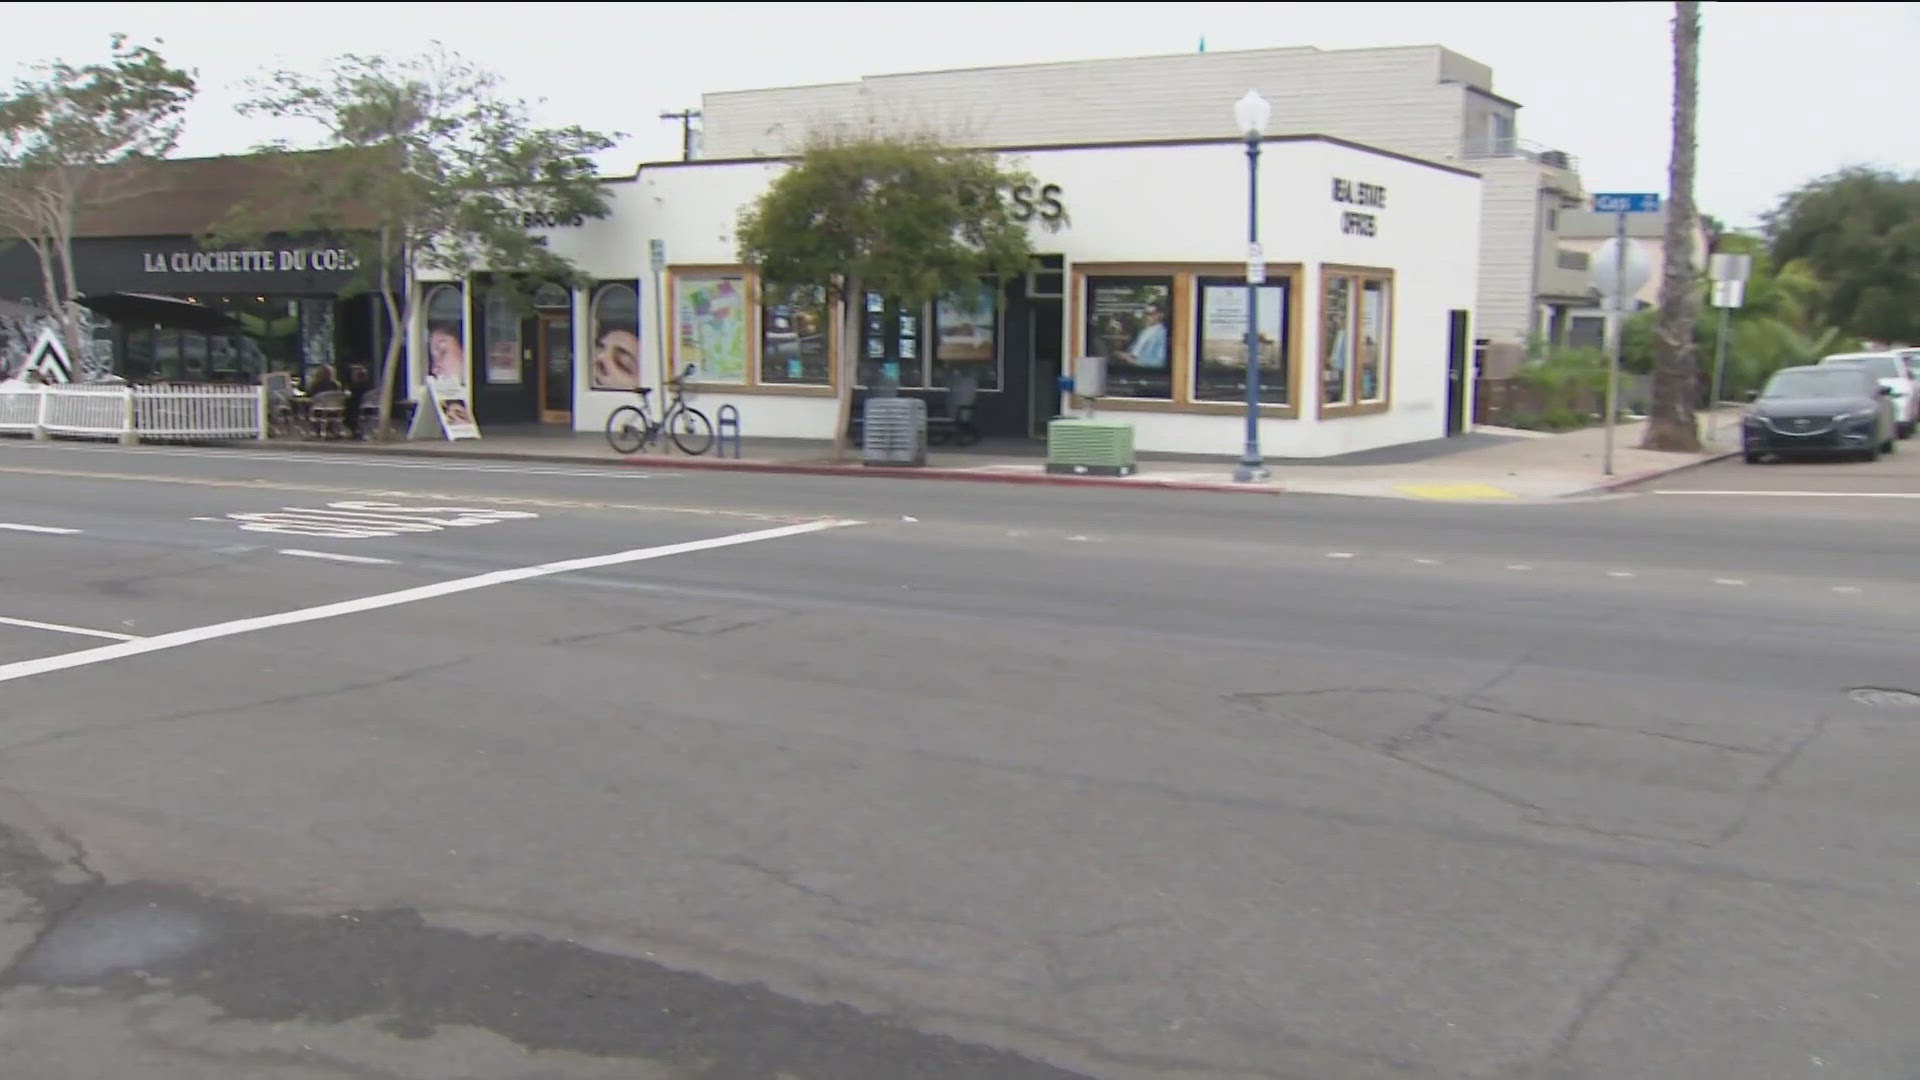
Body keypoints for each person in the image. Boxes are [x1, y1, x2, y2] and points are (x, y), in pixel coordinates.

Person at [1119, 302, 1168, 369]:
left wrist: (1133, 361)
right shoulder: (1143, 331)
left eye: (1151, 313)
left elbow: (1159, 362)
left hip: (1141, 368)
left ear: (1160, 315)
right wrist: (1125, 355)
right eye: (1146, 313)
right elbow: (1135, 348)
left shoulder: (1162, 334)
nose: (1148, 316)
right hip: (1127, 363)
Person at [343, 364, 373, 439]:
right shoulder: (369, 385)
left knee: (350, 410)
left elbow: (353, 397)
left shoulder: (356, 387)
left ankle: (355, 429)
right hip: (368, 406)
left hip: (356, 407)